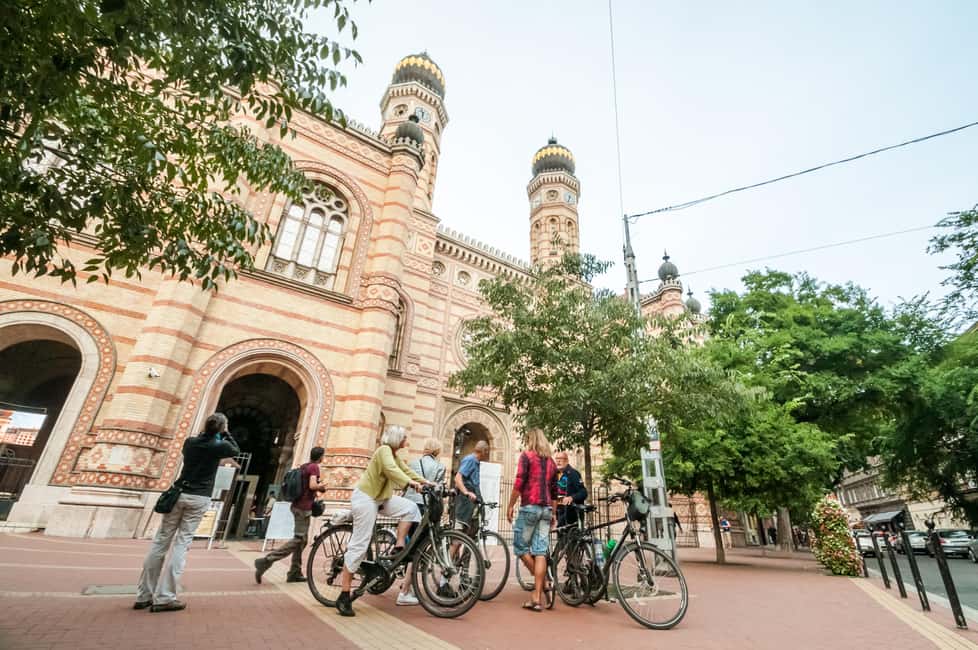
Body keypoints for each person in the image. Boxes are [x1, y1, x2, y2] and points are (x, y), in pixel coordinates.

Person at [135, 412, 239, 612]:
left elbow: (195, 447)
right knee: (182, 544)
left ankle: (143, 595)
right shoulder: (218, 447)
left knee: (160, 542)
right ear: (221, 428)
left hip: (178, 494)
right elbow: (235, 449)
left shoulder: (190, 443)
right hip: (199, 497)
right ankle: (165, 597)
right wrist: (226, 433)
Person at [336, 425, 433, 617]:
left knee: (411, 509)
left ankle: (399, 545)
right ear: (397, 439)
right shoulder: (384, 451)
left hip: (381, 498)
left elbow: (405, 470)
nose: (407, 441)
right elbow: (391, 470)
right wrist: (410, 483)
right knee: (360, 545)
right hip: (366, 498)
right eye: (404, 438)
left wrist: (426, 482)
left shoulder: (395, 455)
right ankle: (344, 595)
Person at [254, 446, 326, 584]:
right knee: (299, 539)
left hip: (296, 505)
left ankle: (294, 572)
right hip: (304, 508)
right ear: (320, 456)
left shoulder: (304, 466)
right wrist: (321, 487)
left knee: (302, 540)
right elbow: (312, 485)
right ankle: (266, 561)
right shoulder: (314, 467)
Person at [507, 428, 558, 613]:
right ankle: (536, 597)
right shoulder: (551, 462)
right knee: (540, 552)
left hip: (530, 507)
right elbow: (554, 491)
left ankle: (543, 585)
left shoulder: (526, 456)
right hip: (546, 510)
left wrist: (510, 505)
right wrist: (553, 513)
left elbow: (519, 482)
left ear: (531, 440)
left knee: (520, 547)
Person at [398, 438, 446, 606]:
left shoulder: (413, 463)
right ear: (437, 451)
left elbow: (405, 484)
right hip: (424, 508)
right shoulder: (440, 467)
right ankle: (404, 591)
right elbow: (438, 490)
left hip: (408, 506)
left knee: (409, 545)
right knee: (418, 549)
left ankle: (407, 584)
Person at [454, 440, 489, 535]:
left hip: (472, 501)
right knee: (460, 532)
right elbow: (457, 478)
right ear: (483, 451)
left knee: (472, 529)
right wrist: (466, 492)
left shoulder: (476, 462)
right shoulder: (470, 460)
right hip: (466, 502)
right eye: (487, 452)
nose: (487, 454)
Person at [554, 451, 587, 530]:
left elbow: (583, 492)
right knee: (560, 535)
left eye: (561, 459)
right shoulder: (554, 474)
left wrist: (571, 498)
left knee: (570, 536)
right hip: (557, 513)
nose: (558, 461)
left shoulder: (573, 474)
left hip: (569, 514)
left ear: (566, 461)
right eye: (557, 459)